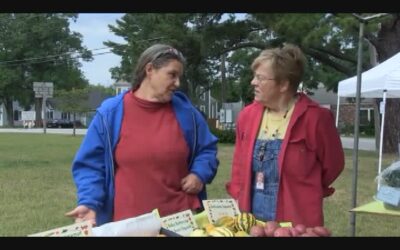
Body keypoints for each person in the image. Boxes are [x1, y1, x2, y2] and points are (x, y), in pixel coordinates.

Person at [66, 44, 219, 226]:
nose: (178, 83)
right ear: (149, 70)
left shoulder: (188, 113)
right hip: (127, 224)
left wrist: (199, 174)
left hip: (180, 221)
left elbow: (207, 150)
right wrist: (89, 202)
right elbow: (90, 165)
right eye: (172, 75)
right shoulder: (110, 114)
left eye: (179, 76)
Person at [225, 43, 344, 227]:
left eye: (260, 78)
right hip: (252, 218)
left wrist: (305, 190)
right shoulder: (247, 116)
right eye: (254, 77)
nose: (253, 82)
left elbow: (333, 165)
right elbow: (239, 164)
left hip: (297, 220)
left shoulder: (316, 118)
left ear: (283, 85)